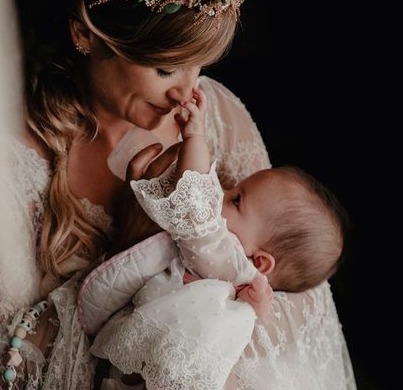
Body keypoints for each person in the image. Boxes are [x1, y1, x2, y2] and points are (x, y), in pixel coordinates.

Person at [0, 0, 356, 389]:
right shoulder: (8, 155)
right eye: (166, 70)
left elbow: (287, 296)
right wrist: (138, 248)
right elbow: (3, 359)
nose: (186, 94)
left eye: (199, 67)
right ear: (86, 34)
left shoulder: (220, 117)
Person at [81, 87, 347, 389]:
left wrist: (195, 138)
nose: (221, 192)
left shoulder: (227, 256)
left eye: (236, 201)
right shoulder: (245, 285)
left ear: (259, 260)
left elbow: (197, 212)